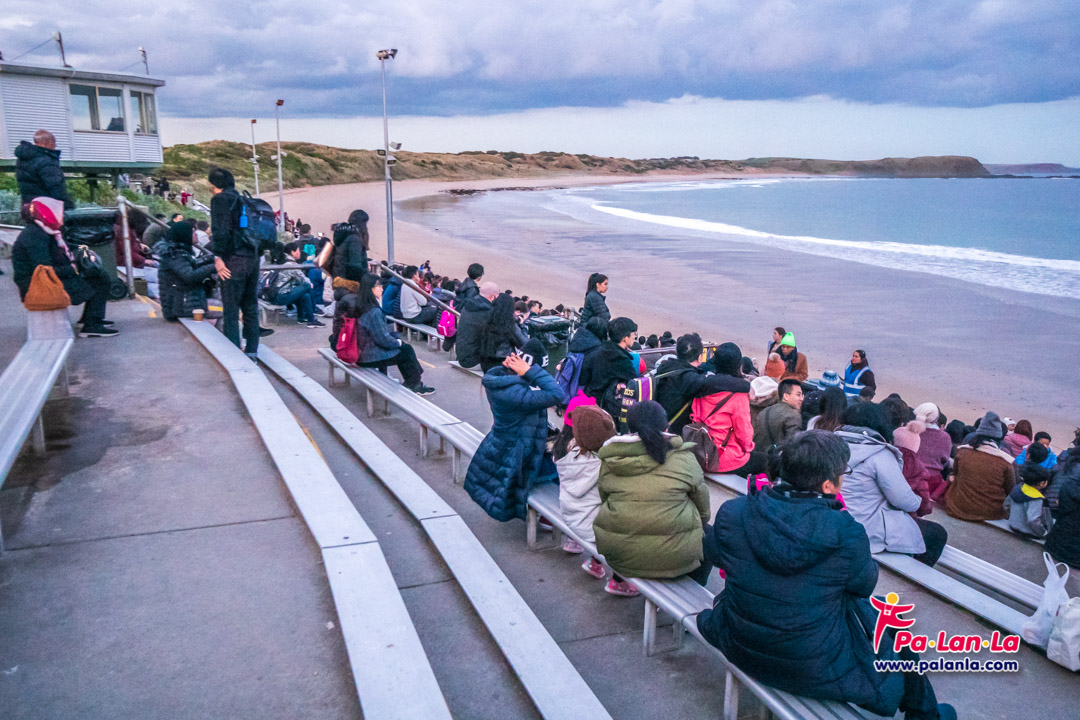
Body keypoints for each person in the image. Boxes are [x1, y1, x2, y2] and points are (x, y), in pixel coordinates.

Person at [696, 431, 955, 720]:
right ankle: (925, 713)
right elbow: (863, 586)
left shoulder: (736, 511)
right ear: (828, 484)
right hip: (811, 665)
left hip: (742, 641)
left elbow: (715, 553)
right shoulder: (844, 531)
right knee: (889, 617)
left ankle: (925, 711)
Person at [595, 401, 711, 595]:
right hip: (675, 558)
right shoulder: (684, 457)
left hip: (620, 554)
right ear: (666, 426)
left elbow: (605, 498)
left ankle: (620, 582)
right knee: (711, 536)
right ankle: (688, 598)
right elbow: (703, 510)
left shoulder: (612, 458)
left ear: (630, 427)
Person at [465, 339, 563, 521]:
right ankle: (550, 518)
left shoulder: (503, 381)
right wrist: (532, 372)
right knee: (560, 470)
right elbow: (557, 394)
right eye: (538, 369)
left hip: (506, 445)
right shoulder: (518, 394)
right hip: (518, 453)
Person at [838, 404, 947, 566]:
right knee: (938, 533)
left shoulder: (830, 445)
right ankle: (916, 575)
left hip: (835, 519)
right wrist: (918, 501)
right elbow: (903, 500)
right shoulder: (879, 454)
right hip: (865, 529)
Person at [11, 197, 115, 336]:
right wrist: (73, 269)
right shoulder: (36, 237)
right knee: (99, 280)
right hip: (37, 285)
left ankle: (89, 319)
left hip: (40, 280)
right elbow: (44, 270)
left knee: (97, 275)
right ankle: (92, 324)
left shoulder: (42, 231)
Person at [554, 402, 617, 579]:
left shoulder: (571, 452)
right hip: (590, 526)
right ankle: (620, 580)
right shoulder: (603, 466)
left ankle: (594, 562)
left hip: (572, 515)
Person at [347, 273, 434, 395]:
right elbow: (382, 339)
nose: (382, 288)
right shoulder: (373, 311)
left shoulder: (361, 306)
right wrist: (397, 342)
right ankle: (415, 384)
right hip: (368, 356)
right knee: (406, 350)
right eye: (379, 286)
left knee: (402, 348)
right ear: (370, 289)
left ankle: (413, 382)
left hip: (361, 351)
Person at [207, 167, 260, 357]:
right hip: (252, 258)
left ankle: (235, 354)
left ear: (215, 185)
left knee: (231, 308)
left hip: (234, 259)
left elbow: (221, 232)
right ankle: (252, 351)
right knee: (250, 306)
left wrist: (218, 257)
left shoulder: (220, 200)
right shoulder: (242, 199)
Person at [690, 343, 762, 476]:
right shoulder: (738, 395)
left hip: (697, 450)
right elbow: (744, 433)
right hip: (722, 458)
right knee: (765, 461)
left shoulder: (701, 385)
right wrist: (749, 448)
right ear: (737, 365)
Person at [654, 334, 750, 434]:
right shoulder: (690, 380)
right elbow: (716, 382)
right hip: (673, 435)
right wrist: (747, 386)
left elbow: (706, 368)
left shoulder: (667, 368)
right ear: (700, 357)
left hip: (659, 425)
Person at [945, 411, 1017, 521]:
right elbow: (1010, 489)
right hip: (990, 513)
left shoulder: (962, 451)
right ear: (999, 437)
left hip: (957, 506)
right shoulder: (1006, 461)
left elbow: (955, 474)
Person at [157, 221, 218, 321]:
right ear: (185, 235)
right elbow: (190, 276)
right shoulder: (175, 255)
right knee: (225, 310)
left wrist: (211, 258)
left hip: (181, 303)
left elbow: (191, 265)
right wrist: (214, 266)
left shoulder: (175, 252)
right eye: (193, 233)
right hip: (180, 307)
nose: (196, 235)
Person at [579, 316, 638, 417]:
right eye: (633, 334)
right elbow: (634, 383)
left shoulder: (597, 350)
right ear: (625, 338)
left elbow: (584, 377)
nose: (634, 337)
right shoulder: (622, 360)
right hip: (607, 408)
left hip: (589, 401)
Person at [15, 130, 72, 208]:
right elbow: (55, 186)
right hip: (47, 208)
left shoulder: (23, 159)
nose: (55, 147)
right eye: (54, 144)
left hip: (29, 207)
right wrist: (67, 205)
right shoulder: (46, 161)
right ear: (49, 143)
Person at [480, 293, 529, 373]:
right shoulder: (510, 324)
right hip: (502, 363)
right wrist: (523, 326)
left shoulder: (486, 317)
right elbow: (524, 344)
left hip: (485, 360)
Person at [456, 281, 499, 369]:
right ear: (492, 297)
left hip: (462, 354)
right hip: (473, 360)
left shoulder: (468, 306)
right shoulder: (487, 313)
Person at [752, 379, 803, 450]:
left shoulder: (766, 410)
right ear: (786, 396)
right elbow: (793, 445)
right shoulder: (793, 415)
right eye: (798, 395)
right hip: (776, 457)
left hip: (758, 454)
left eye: (802, 395)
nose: (801, 399)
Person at [1005, 463, 1053, 538]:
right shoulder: (1037, 498)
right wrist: (1043, 532)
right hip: (1028, 532)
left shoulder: (1018, 488)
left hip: (1012, 525)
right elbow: (1032, 520)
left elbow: (1006, 505)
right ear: (1042, 483)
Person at [330, 209, 370, 284]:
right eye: (366, 224)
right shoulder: (354, 239)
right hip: (350, 284)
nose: (367, 227)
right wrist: (366, 279)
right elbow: (355, 266)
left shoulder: (345, 235)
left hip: (341, 279)